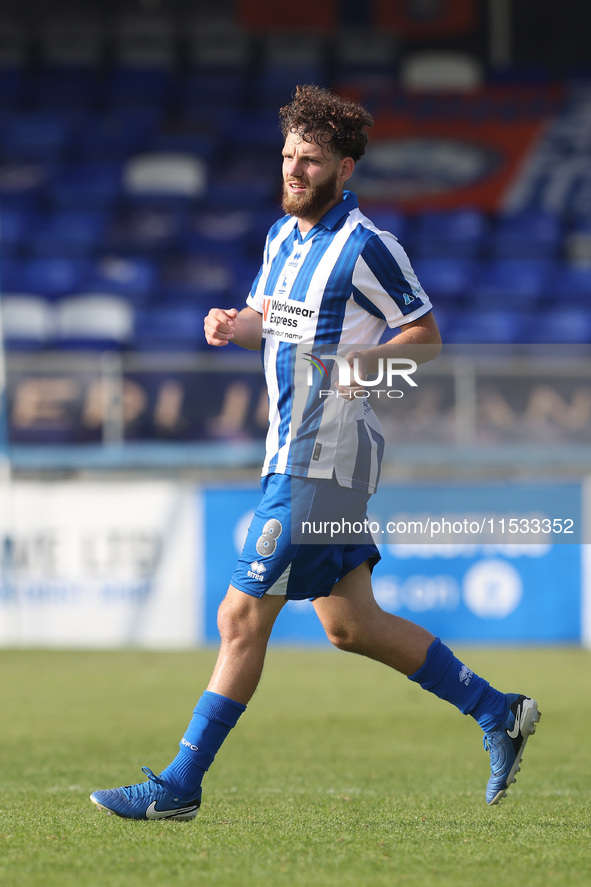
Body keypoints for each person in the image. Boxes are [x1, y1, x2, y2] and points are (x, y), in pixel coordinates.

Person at [90, 85, 540, 821]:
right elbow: (268, 322)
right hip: (292, 452)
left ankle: (179, 785)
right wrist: (230, 323)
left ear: (345, 169)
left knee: (240, 617)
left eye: (310, 160)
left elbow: (423, 339)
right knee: (349, 625)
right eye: (288, 157)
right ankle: (499, 710)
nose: (294, 171)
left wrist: (363, 369)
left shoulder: (367, 246)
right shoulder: (281, 238)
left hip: (320, 458)